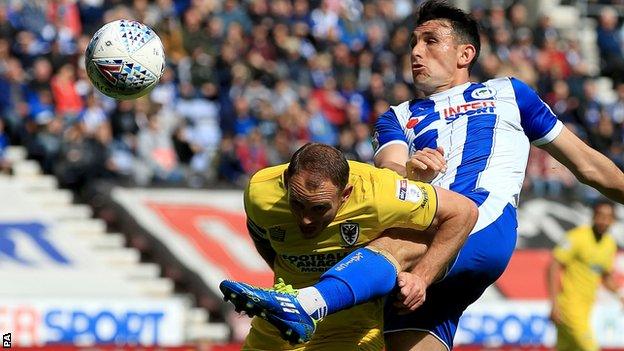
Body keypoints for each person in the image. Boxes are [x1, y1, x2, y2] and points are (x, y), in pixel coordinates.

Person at [225, 1, 624, 350]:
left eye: (431, 41)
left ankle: (307, 304)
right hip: (425, 249)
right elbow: (391, 174)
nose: (416, 51)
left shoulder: (509, 93)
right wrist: (411, 170)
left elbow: (587, 164)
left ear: (465, 53)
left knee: (390, 242)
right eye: (414, 42)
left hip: (477, 223)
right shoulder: (396, 116)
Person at [220, 142, 478, 350]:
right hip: (279, 317)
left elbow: (464, 212)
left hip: (351, 330)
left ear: (345, 194)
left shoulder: (381, 193)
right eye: (297, 203)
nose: (306, 219)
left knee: (406, 238)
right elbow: (263, 239)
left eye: (319, 208)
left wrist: (422, 277)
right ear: (287, 182)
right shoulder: (260, 191)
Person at [548, 200, 624, 351]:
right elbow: (553, 266)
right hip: (568, 307)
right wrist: (554, 303)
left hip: (586, 309)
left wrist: (620, 295)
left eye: (608, 217)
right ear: (593, 217)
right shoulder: (577, 237)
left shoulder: (609, 244)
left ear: (614, 220)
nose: (604, 221)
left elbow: (606, 277)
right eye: (600, 216)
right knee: (590, 347)